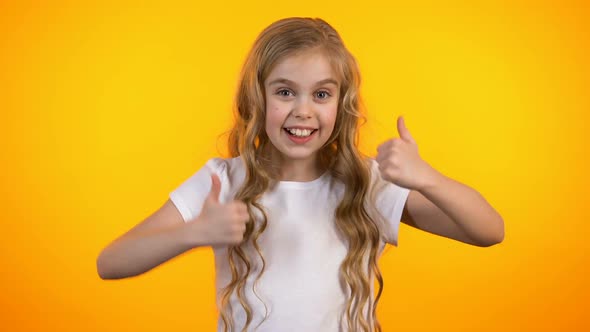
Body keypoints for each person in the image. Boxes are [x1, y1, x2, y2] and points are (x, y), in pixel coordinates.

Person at [96, 17, 504, 332]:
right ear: (256, 97)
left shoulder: (366, 183)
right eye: (285, 91)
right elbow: (110, 262)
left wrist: (427, 177)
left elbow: (488, 230)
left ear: (341, 103)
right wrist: (194, 233)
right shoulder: (222, 181)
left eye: (321, 94)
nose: (303, 110)